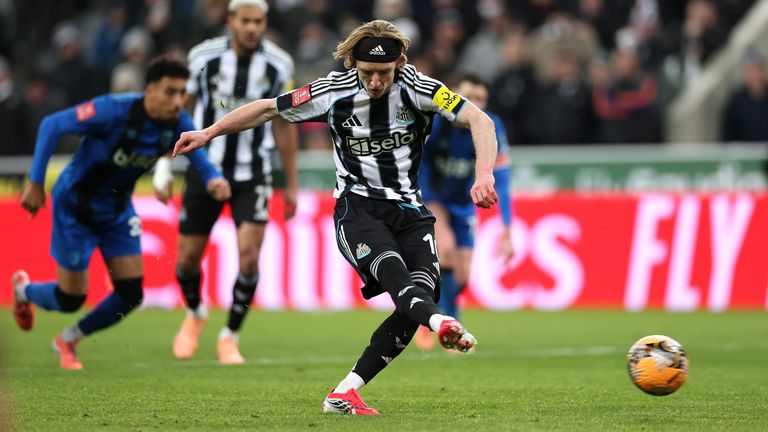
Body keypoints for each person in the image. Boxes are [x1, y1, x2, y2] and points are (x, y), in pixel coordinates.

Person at [173, 19, 500, 415]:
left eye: (384, 73)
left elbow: (479, 120)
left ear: (399, 64)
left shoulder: (421, 88)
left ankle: (345, 391)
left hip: (412, 212)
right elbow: (266, 110)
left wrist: (484, 175)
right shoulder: (332, 91)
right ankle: (441, 324)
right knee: (399, 279)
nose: (376, 82)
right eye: (367, 73)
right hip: (358, 209)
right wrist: (209, 133)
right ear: (352, 64)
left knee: (417, 298)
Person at [10, 56, 231, 370]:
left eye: (182, 93)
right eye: (171, 92)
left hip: (116, 210)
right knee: (70, 298)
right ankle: (23, 290)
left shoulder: (178, 122)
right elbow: (52, 125)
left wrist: (213, 180)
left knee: (130, 293)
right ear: (150, 90)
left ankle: (68, 341)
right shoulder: (114, 109)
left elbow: (201, 158)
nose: (178, 101)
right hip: (75, 207)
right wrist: (34, 181)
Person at [164, 0, 299, 365]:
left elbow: (284, 124)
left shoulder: (279, 63)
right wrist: (164, 164)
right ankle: (195, 314)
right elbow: (179, 111)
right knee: (188, 260)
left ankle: (230, 336)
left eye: (258, 22)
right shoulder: (203, 57)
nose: (252, 28)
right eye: (245, 21)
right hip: (205, 170)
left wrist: (291, 184)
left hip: (253, 172)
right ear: (231, 21)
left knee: (250, 258)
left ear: (265, 22)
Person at [414, 74, 514, 351]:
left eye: (481, 99)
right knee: (444, 251)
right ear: (455, 96)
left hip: (462, 204)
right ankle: (453, 330)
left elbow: (502, 180)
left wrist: (507, 231)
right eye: (470, 97)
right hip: (431, 198)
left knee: (461, 277)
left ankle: (426, 317)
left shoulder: (490, 128)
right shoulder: (437, 122)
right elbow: (416, 162)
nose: (476, 104)